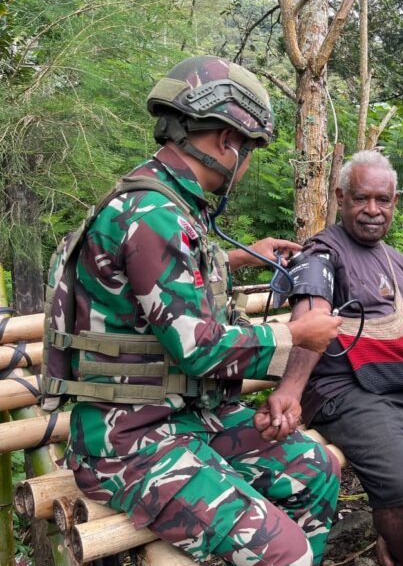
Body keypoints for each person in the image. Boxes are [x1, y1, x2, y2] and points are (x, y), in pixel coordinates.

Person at [55, 56, 343, 566]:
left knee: (316, 468)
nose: (247, 164)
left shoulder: (169, 207)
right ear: (227, 141)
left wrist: (232, 256)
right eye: (249, 151)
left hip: (186, 419)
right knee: (287, 553)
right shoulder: (154, 214)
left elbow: (152, 280)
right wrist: (295, 336)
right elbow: (199, 349)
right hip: (128, 442)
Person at [254, 150, 403, 566]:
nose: (372, 210)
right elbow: (310, 318)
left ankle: (400, 528)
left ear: (394, 203)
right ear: (341, 197)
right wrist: (292, 392)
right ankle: (400, 555)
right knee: (400, 482)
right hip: (345, 388)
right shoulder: (321, 254)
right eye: (361, 199)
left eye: (382, 200)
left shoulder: (396, 260)